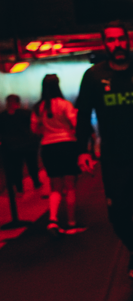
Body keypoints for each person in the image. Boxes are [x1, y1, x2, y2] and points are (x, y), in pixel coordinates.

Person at [76, 21, 133, 290]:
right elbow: (83, 115)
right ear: (105, 44)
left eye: (121, 39)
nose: (117, 45)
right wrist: (82, 150)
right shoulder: (93, 76)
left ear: (128, 41)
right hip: (113, 160)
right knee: (118, 215)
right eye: (111, 40)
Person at [31, 74, 85, 236]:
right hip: (67, 145)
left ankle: (53, 220)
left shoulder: (38, 107)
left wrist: (47, 130)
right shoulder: (64, 104)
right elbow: (75, 123)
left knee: (55, 186)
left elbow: (34, 129)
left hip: (48, 147)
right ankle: (71, 223)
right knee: (70, 186)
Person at [0, 94, 42, 194]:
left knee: (16, 168)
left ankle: (19, 188)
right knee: (32, 165)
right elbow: (34, 127)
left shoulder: (3, 116)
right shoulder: (26, 113)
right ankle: (36, 183)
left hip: (12, 147)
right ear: (19, 103)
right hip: (29, 144)